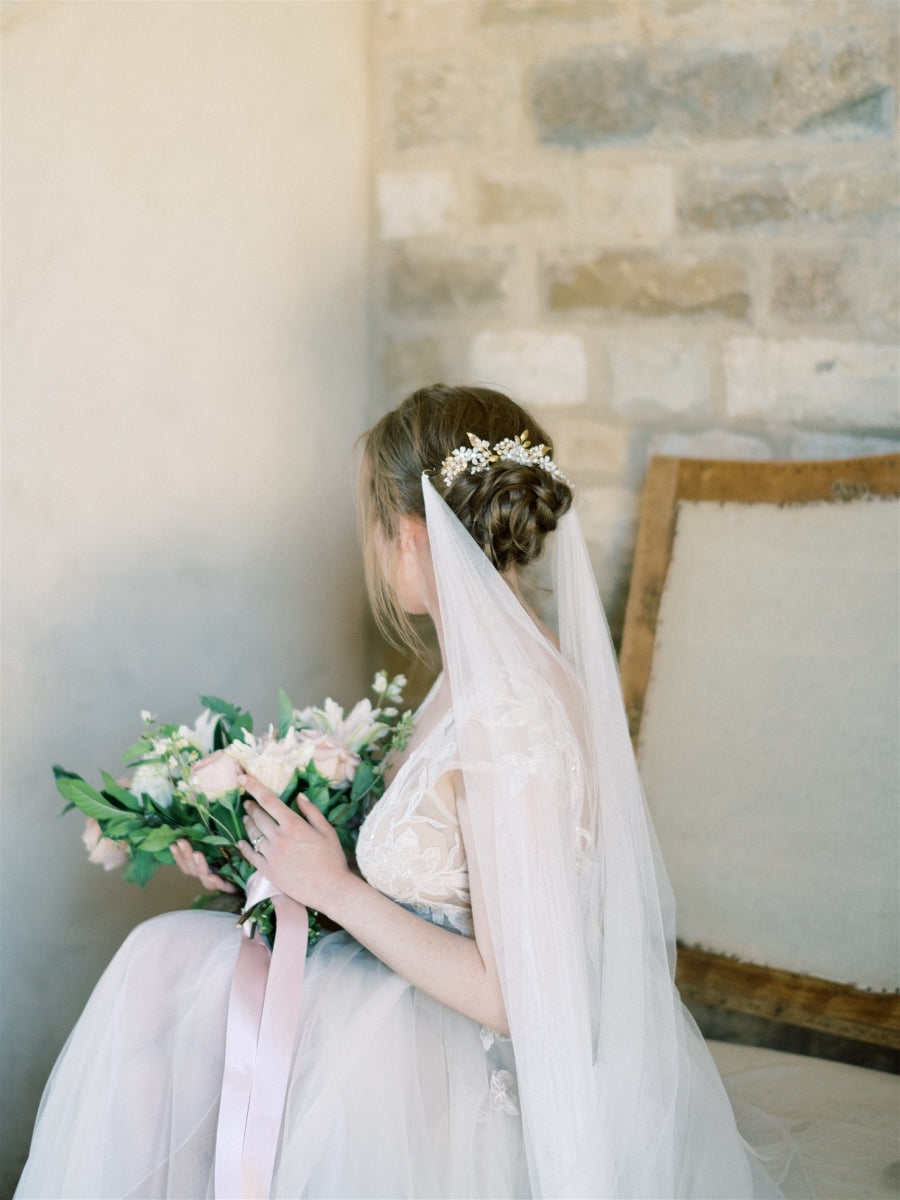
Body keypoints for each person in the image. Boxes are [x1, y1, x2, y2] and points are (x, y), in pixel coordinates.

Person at [15, 384, 811, 1199]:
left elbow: (511, 997)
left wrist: (332, 888)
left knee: (164, 978)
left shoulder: (511, 714)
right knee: (167, 974)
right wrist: (263, 871)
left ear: (405, 532)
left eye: (373, 521)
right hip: (393, 999)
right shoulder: (468, 678)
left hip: (458, 1063)